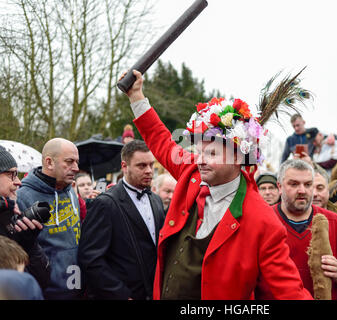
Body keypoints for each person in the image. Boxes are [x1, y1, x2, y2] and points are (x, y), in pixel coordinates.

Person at [120, 69, 312, 300]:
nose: (199, 159)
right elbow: (160, 139)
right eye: (199, 151)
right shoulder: (190, 173)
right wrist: (136, 96)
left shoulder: (264, 221)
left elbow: (290, 292)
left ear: (239, 157)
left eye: (211, 153)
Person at [266, 159, 337, 300]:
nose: (302, 190)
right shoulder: (263, 220)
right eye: (294, 184)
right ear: (280, 186)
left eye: (307, 184)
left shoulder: (334, 222)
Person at [78, 140, 166, 300]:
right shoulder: (106, 203)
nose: (149, 171)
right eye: (141, 166)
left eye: (151, 165)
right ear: (124, 167)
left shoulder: (156, 200)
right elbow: (90, 258)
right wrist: (120, 294)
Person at [16, 138, 82, 300]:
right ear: (49, 162)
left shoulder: (70, 190)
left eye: (77, 162)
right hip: (46, 292)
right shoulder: (23, 196)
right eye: (69, 161)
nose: (76, 168)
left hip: (77, 287)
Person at [0, 147, 50, 290]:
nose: (19, 182)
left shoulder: (11, 216)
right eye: (12, 174)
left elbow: (41, 282)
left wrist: (29, 246)